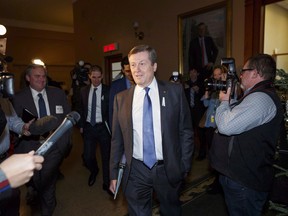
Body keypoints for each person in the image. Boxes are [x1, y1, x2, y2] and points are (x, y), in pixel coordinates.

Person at [109, 45, 194, 215]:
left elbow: (186, 131)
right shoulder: (122, 99)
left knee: (170, 210)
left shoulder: (174, 92)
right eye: (133, 65)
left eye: (142, 64)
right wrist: (113, 172)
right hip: (136, 169)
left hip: (167, 167)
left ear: (154, 66)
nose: (136, 70)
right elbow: (117, 139)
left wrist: (183, 166)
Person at [209, 54, 283, 215]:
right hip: (241, 177)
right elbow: (238, 114)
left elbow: (226, 126)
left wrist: (223, 102)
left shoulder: (261, 98)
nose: (240, 75)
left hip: (245, 181)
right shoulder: (255, 96)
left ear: (255, 73)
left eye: (244, 71)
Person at [12, 64, 72, 216]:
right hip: (29, 148)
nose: (41, 79)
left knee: (48, 185)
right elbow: (13, 124)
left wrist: (65, 144)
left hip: (54, 147)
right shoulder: (18, 98)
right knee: (34, 181)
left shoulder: (57, 94)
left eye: (44, 76)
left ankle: (47, 209)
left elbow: (68, 119)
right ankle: (34, 190)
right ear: (28, 78)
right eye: (37, 76)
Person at [78, 65, 112, 195]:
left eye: (99, 77)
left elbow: (112, 110)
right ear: (89, 76)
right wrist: (81, 125)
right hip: (89, 128)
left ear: (102, 76)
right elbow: (80, 108)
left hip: (103, 127)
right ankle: (94, 170)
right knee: (87, 156)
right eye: (94, 77)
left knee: (106, 156)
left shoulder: (108, 90)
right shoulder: (83, 91)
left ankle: (107, 182)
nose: (96, 80)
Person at [197, 65, 227, 161]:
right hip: (210, 123)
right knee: (211, 146)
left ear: (224, 75)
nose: (217, 77)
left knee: (219, 149)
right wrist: (207, 90)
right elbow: (206, 104)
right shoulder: (212, 89)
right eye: (215, 75)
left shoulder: (227, 89)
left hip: (220, 123)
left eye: (219, 74)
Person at [184, 68, 206, 160]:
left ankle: (202, 153)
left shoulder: (202, 84)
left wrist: (197, 90)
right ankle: (190, 153)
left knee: (201, 134)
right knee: (189, 134)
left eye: (194, 72)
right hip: (188, 112)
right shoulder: (185, 84)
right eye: (191, 72)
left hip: (199, 112)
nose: (192, 74)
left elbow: (205, 97)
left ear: (197, 73)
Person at [108, 56, 134, 127]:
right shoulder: (115, 86)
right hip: (122, 126)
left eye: (132, 70)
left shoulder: (142, 83)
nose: (131, 74)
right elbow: (112, 110)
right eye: (127, 71)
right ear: (122, 70)